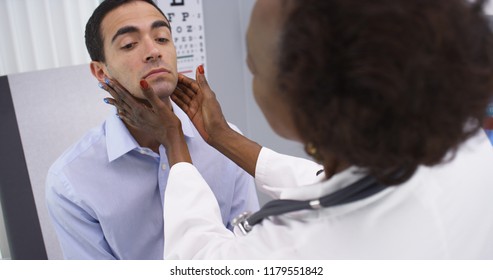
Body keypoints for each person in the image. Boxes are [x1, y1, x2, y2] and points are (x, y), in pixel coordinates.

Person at [104, 0, 493, 259]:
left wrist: (175, 141)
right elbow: (350, 184)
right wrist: (221, 135)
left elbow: (199, 261)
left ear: (305, 102)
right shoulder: (463, 137)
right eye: (128, 43)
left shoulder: (300, 248)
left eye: (253, 68)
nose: (153, 51)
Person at [45, 0, 259, 260]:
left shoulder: (226, 144)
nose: (153, 51)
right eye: (129, 44)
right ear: (101, 72)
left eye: (161, 38)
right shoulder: (71, 180)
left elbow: (250, 254)